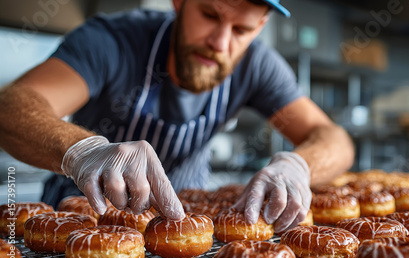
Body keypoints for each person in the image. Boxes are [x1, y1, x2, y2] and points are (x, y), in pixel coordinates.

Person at [0, 0, 354, 233]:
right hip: (79, 220)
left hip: (185, 226)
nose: (220, 42)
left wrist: (298, 165)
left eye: (241, 30)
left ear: (259, 27)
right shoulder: (112, 41)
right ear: (179, 2)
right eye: (210, 15)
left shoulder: (257, 65)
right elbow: (12, 107)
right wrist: (84, 151)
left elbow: (332, 138)